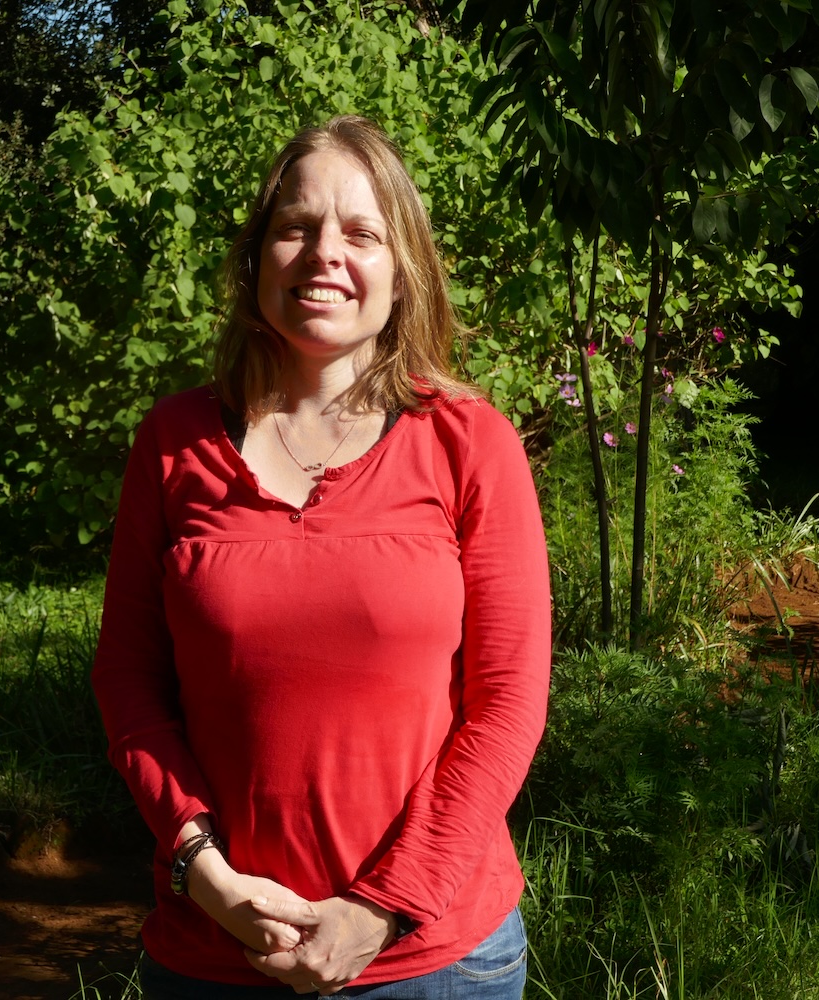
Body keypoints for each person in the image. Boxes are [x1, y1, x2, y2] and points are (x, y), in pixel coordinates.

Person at [91, 115, 551, 999]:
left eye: (362, 233)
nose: (323, 254)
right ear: (257, 255)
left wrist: (381, 907)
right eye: (296, 227)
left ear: (402, 268)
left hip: (433, 960)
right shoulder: (171, 443)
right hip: (216, 951)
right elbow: (128, 681)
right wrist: (204, 870)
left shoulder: (469, 443)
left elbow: (508, 705)